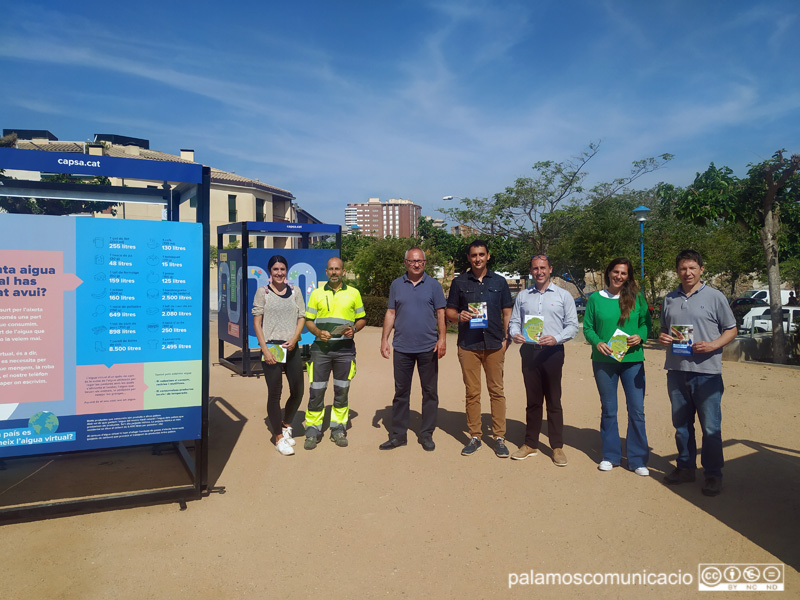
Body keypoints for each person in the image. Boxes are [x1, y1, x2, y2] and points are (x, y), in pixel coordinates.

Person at [658, 249, 737, 496]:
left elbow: (731, 329)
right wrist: (662, 338)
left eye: (692, 268)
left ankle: (713, 474)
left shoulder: (715, 297)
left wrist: (713, 345)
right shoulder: (669, 299)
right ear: (677, 271)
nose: (687, 272)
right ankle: (685, 467)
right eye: (683, 268)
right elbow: (663, 329)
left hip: (707, 373)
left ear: (701, 269)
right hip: (677, 371)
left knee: (711, 427)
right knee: (681, 425)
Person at [583, 258, 652, 476]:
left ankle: (637, 459)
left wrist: (639, 337)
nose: (619, 276)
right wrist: (598, 342)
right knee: (609, 410)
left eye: (623, 273)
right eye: (616, 272)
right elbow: (588, 327)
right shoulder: (595, 299)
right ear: (609, 273)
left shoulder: (636, 298)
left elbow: (645, 325)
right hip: (604, 362)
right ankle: (611, 456)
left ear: (628, 276)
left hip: (632, 361)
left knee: (637, 411)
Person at [508, 255, 578, 466]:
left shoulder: (563, 296)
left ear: (550, 269)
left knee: (554, 401)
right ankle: (530, 444)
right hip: (530, 352)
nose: (539, 272)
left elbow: (573, 326)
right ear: (531, 271)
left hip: (553, 353)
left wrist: (556, 338)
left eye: (543, 268)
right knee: (533, 401)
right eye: (535, 268)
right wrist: (515, 334)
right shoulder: (523, 296)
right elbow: (514, 322)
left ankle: (557, 447)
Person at [446, 240, 513, 457]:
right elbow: (449, 313)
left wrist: (506, 338)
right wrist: (459, 316)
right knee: (472, 392)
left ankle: (500, 437)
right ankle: (475, 435)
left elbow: (506, 311)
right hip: (468, 345)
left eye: (481, 254)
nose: (478, 259)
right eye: (474, 255)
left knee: (497, 391)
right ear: (468, 257)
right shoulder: (459, 283)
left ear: (488, 256)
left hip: (494, 344)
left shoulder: (500, 282)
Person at [379, 248, 447, 451]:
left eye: (420, 261)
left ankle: (426, 434)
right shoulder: (396, 285)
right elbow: (391, 312)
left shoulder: (434, 285)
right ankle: (398, 434)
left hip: (428, 347)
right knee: (401, 392)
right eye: (412, 261)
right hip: (402, 347)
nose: (416, 264)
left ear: (425, 262)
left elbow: (440, 312)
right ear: (405, 262)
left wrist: (442, 338)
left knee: (429, 392)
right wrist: (384, 339)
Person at [303, 256, 366, 449]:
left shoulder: (354, 293)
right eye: (330, 269)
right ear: (326, 272)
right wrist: (317, 332)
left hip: (345, 351)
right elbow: (308, 320)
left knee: (342, 391)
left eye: (337, 269)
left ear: (343, 272)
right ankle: (313, 431)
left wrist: (354, 329)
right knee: (316, 391)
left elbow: (362, 319)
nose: (334, 272)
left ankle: (338, 429)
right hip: (320, 350)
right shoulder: (316, 294)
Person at [252, 255, 306, 456]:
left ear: (287, 270)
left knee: (298, 390)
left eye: (282, 269)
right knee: (275, 393)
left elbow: (302, 316)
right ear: (269, 272)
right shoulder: (263, 292)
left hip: (291, 347)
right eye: (275, 269)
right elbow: (257, 322)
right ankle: (278, 437)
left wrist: (295, 338)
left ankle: (286, 424)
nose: (279, 273)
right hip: (272, 348)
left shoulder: (295, 291)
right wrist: (264, 349)